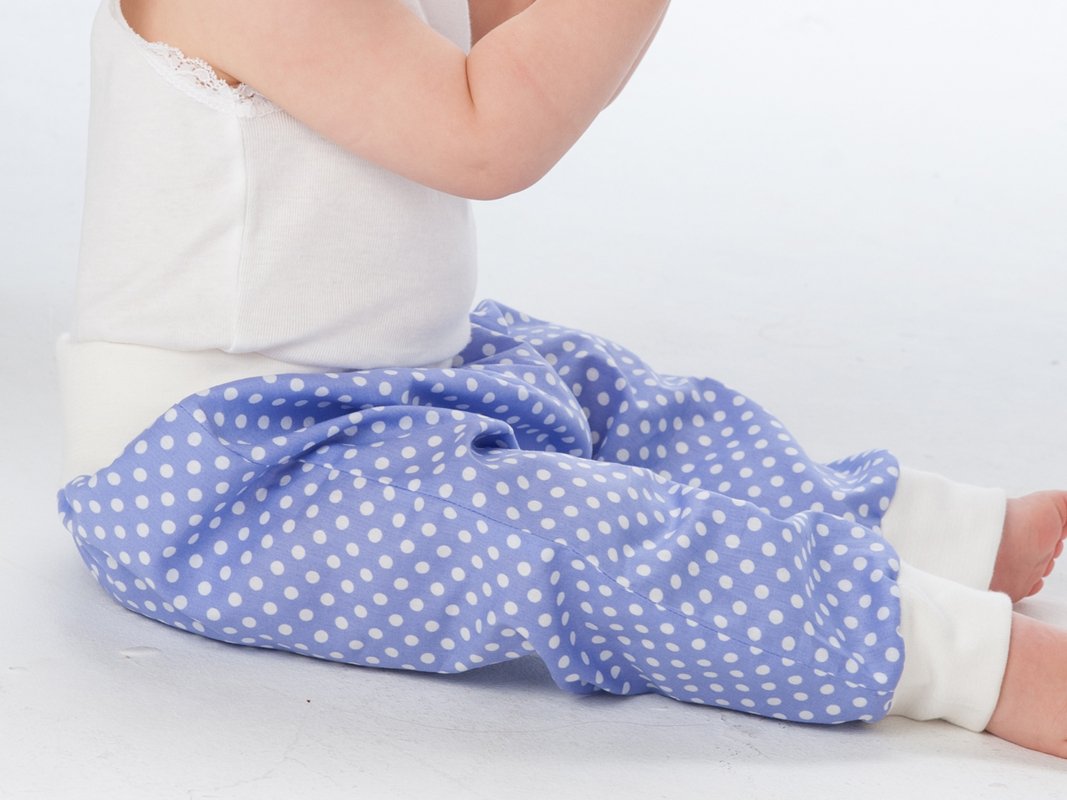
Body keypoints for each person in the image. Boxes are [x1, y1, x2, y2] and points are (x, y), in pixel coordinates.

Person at [56, 0, 1067, 758]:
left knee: (618, 402)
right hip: (227, 470)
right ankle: (960, 659)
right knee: (577, 542)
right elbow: (485, 130)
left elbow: (510, 28)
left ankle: (916, 530)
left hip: (413, 377)